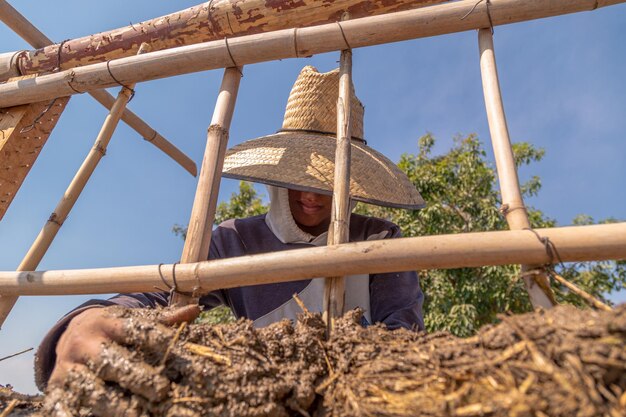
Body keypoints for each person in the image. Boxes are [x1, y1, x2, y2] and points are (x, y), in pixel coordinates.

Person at [35, 66, 426, 391]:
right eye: (302, 176)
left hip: (356, 387)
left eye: (328, 179)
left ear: (350, 183)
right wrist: (90, 320)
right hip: (260, 390)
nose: (313, 195)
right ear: (278, 175)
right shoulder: (236, 239)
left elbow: (402, 326)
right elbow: (166, 293)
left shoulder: (378, 239)